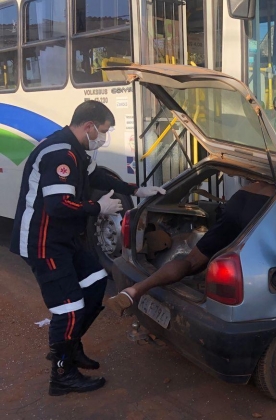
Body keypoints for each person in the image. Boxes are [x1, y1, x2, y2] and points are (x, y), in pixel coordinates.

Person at [10, 101, 165, 396]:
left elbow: (97, 177)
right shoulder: (60, 153)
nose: (103, 137)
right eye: (103, 131)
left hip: (64, 239)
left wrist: (135, 190)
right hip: (43, 242)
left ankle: (70, 346)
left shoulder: (77, 149)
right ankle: (62, 374)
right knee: (68, 308)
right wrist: (98, 207)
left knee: (95, 286)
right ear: (89, 126)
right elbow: (58, 205)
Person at [105, 181, 275, 316]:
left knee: (191, 261)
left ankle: (135, 290)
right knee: (244, 254)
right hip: (269, 201)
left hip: (242, 196)